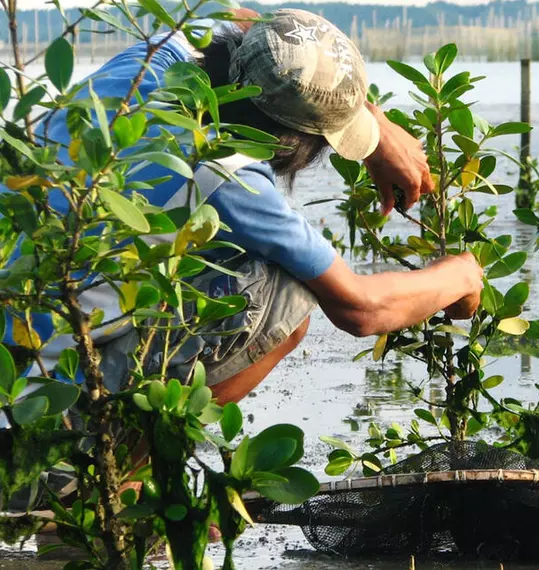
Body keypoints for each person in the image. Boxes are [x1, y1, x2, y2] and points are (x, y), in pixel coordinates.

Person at [2, 9, 482, 439]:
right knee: (286, 294)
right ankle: (104, 480)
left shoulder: (152, 61)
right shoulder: (224, 171)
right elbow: (361, 310)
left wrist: (373, 129)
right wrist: (460, 274)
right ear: (287, 141)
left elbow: (246, 19)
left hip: (19, 330)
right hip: (32, 409)